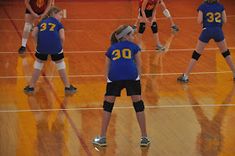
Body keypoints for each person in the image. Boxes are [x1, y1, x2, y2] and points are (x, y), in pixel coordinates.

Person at [92, 25, 150, 147]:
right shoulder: (135, 47)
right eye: (132, 34)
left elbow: (106, 68)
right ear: (126, 36)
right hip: (131, 76)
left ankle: (102, 137)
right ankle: (144, 137)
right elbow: (140, 65)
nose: (133, 37)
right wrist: (137, 78)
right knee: (139, 105)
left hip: (114, 77)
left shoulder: (111, 48)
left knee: (108, 106)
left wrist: (109, 79)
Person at [177, 0, 235, 82]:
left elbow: (199, 21)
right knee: (226, 53)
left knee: (196, 54)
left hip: (206, 31)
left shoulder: (203, 6)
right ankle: (234, 72)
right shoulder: (220, 6)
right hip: (218, 31)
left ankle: (186, 76)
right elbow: (225, 20)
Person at [24, 6, 77, 94]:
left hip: (41, 48)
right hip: (56, 47)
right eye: (60, 14)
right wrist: (61, 47)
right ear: (54, 14)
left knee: (38, 64)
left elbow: (33, 34)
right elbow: (62, 38)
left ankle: (31, 87)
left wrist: (37, 45)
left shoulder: (41, 22)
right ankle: (68, 87)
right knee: (60, 64)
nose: (61, 17)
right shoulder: (59, 24)